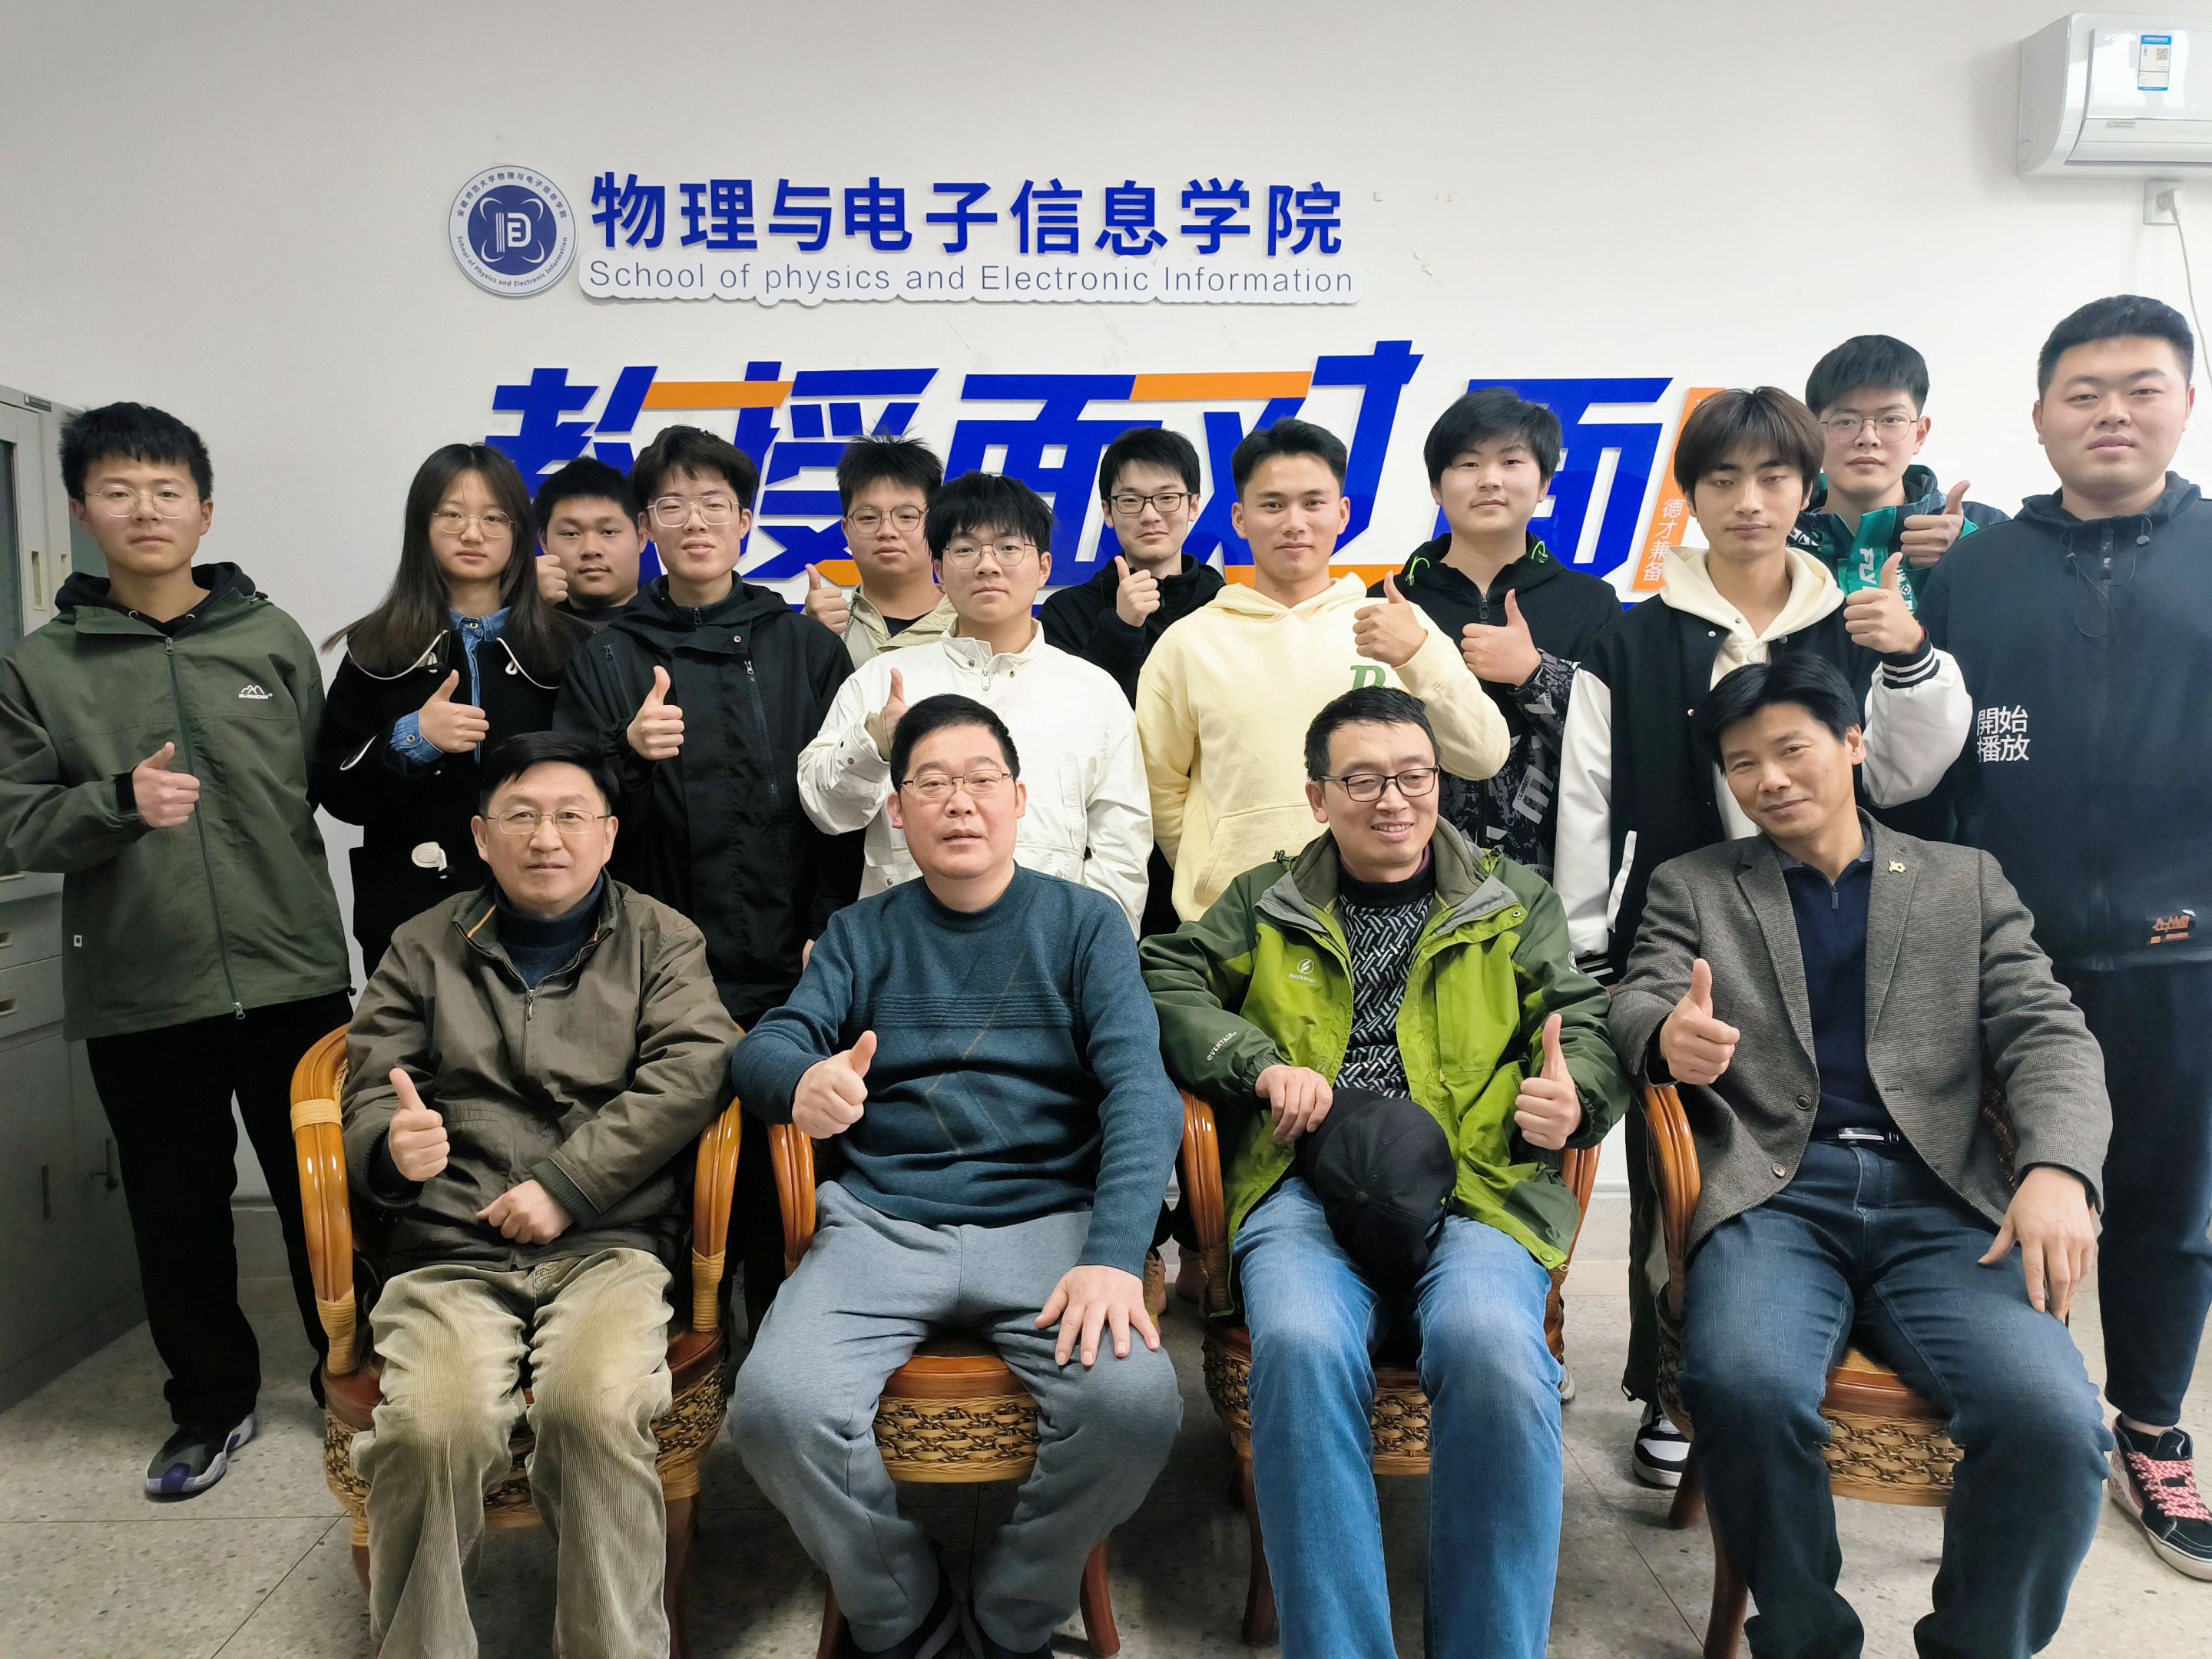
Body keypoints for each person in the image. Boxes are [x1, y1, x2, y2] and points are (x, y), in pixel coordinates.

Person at [1609, 655, 2113, 1657]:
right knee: (1745, 1387)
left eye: (1791, 749)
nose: (1769, 779)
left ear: (1851, 744)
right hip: (1773, 1197)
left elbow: (2047, 1031)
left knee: (2056, 1426)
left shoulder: (1963, 882)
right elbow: (1635, 995)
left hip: (1943, 1205)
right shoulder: (1696, 885)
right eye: (1742, 763)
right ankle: (1806, 1639)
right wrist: (1665, 1035)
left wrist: (2057, 1168)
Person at [1141, 686, 1628, 1659]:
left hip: (1478, 1185)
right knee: (1301, 1342)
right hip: (1306, 1184)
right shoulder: (1266, 900)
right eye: (1361, 780)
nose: (1392, 800)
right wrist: (1257, 1065)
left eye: (1413, 776)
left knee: (1495, 1346)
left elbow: (1581, 1018)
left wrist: (1575, 1097)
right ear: (1318, 796)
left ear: (1439, 783)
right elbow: (1166, 976)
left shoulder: (1509, 899)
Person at [1554, 385, 1971, 1488]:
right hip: (1688, 940)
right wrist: (1592, 949)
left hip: (1843, 935)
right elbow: (1586, 803)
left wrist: (1912, 656)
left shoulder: (1854, 622)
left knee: (1818, 1155)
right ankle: (1674, 1387)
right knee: (1680, 1167)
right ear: (1689, 497)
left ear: (1806, 487)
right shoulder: (1629, 639)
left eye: (1774, 477)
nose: (1750, 500)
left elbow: (1910, 774)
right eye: (1723, 479)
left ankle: (1801, 1360)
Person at [730, 694, 1184, 1659]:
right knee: (775, 1408)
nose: (959, 801)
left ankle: (1017, 1612)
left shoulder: (1086, 925)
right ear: (898, 812)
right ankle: (904, 1610)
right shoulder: (861, 933)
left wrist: (1115, 1255)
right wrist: (800, 1081)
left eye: (981, 780)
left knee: (1136, 1408)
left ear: (1019, 798)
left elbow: (1141, 1092)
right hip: (883, 1222)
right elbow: (768, 1045)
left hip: (1051, 1226)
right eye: (931, 783)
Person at [0, 402, 352, 1496]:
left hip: (292, 971)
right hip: (142, 981)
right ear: (81, 512)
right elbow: (15, 823)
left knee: (326, 1198)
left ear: (204, 511)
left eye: (166, 491)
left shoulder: (270, 638)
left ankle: (351, 1382)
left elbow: (319, 782)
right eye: (119, 491)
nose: (144, 511)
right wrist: (116, 802)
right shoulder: (43, 665)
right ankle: (210, 1405)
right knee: (176, 1210)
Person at [1921, 293, 2212, 1579]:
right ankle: (2008, 1417)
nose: (2112, 414)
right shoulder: (1975, 572)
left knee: (2166, 1205)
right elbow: (1931, 766)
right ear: (2039, 415)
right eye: (2083, 393)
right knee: (1979, 1188)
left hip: (2184, 945)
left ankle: (2150, 1428)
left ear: (2185, 405)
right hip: (2003, 944)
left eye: (2141, 389)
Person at [342, 731, 737, 1659]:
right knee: (431, 1429)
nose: (546, 837)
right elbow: (370, 1086)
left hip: (609, 1245)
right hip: (450, 1250)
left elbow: (693, 1067)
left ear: (608, 835)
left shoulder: (662, 939)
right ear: (482, 836)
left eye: (570, 816)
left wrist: (567, 1185)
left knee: (593, 1411)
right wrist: (392, 1149)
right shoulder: (421, 946)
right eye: (520, 816)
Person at [1136, 418, 1509, 923]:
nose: (1294, 523)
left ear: (1342, 513)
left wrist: (1418, 656)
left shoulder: (1398, 626)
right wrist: (1213, 873)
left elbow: (1484, 756)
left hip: (1387, 914)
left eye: (1313, 502)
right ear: (1240, 519)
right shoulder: (1189, 643)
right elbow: (1159, 788)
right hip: (1235, 923)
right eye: (1273, 505)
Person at [799, 470, 1150, 934]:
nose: (988, 565)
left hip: (1051, 947)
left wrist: (1093, 945)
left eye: (1008, 547)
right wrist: (874, 744)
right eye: (965, 549)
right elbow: (825, 812)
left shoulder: (1093, 690)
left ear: (1044, 567)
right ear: (940, 571)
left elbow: (1123, 842)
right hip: (904, 944)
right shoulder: (883, 680)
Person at [315, 444, 585, 976]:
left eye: (494, 518)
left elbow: (601, 788)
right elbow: (335, 790)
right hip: (411, 918)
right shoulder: (376, 646)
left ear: (520, 532)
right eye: (451, 515)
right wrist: (413, 737)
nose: (472, 533)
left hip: (552, 918)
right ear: (422, 527)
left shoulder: (570, 647)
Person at [1375, 388, 1619, 882]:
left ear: (1544, 483)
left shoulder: (1591, 602)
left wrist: (1535, 673)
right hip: (1414, 874)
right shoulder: (1389, 606)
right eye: (1468, 464)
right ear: (1436, 487)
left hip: (1562, 880)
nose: (1489, 479)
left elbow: (1623, 744)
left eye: (1511, 461)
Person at [1793, 334, 2008, 610]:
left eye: (1891, 419)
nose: (1868, 438)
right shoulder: (1779, 535)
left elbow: (2030, 617)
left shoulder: (1987, 528)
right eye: (1845, 421)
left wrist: (1969, 552)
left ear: (1920, 434)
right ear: (1812, 435)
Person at [801, 434, 958, 664]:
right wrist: (808, 636)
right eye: (868, 518)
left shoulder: (974, 623)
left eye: (906, 516)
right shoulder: (818, 625)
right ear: (846, 531)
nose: (887, 531)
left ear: (935, 524)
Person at [531, 455, 650, 629]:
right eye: (571, 534)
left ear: (641, 536)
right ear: (544, 542)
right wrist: (526, 608)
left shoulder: (675, 625)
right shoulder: (518, 630)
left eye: (608, 532)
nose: (591, 549)